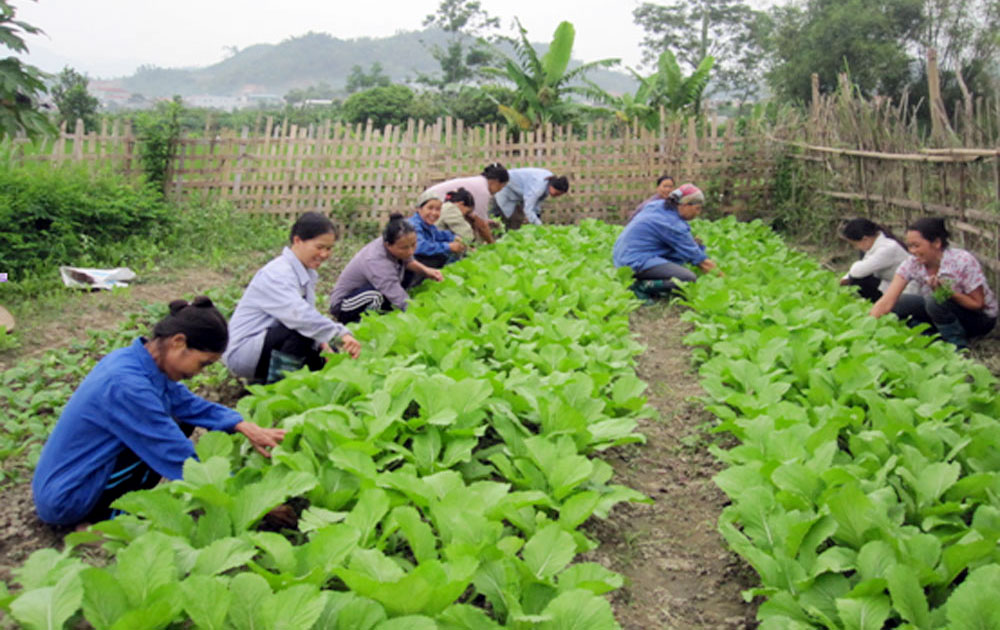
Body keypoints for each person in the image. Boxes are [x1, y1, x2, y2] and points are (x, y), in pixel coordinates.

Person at [32, 297, 287, 528]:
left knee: (180, 421)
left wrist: (242, 425)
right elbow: (174, 453)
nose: (201, 372)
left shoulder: (138, 361)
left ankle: (106, 507)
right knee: (166, 439)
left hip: (69, 481)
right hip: (69, 497)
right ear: (178, 342)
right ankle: (101, 518)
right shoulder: (126, 385)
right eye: (203, 363)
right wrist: (252, 498)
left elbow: (187, 404)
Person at [224, 212, 361, 385]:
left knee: (326, 358)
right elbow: (300, 317)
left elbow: (309, 317)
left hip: (270, 343)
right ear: (298, 241)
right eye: (319, 247)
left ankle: (272, 382)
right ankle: (276, 388)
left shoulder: (306, 273)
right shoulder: (278, 273)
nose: (325, 254)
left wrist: (325, 344)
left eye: (329, 249)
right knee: (299, 333)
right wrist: (340, 333)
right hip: (244, 353)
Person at [870, 217, 997, 349]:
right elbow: (887, 300)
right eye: (910, 246)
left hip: (980, 320)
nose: (912, 251)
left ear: (936, 243)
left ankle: (957, 347)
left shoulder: (962, 261)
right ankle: (931, 335)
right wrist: (867, 327)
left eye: (916, 245)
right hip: (944, 312)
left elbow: (978, 304)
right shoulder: (912, 263)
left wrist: (946, 292)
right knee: (900, 302)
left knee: (934, 300)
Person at [329, 213, 444, 324]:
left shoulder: (395, 245)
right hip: (345, 306)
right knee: (376, 296)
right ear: (388, 245)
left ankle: (386, 311)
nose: (410, 251)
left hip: (374, 289)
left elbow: (409, 261)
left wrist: (427, 271)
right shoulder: (376, 259)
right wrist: (418, 314)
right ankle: (362, 323)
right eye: (404, 248)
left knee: (409, 271)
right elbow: (394, 291)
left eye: (413, 244)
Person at [612, 183, 719, 301]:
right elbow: (700, 261)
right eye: (697, 208)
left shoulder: (656, 206)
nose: (698, 213)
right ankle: (641, 287)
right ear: (684, 205)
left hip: (621, 255)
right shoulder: (672, 224)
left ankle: (642, 280)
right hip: (636, 260)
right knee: (687, 279)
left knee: (680, 257)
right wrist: (724, 280)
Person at [838, 218, 911, 301]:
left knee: (858, 280)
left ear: (865, 239)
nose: (856, 248)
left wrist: (847, 278)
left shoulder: (887, 248)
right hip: (892, 285)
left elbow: (857, 271)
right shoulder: (875, 245)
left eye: (855, 244)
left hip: (907, 292)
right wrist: (845, 278)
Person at [422, 163, 509, 232]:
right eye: (502, 186)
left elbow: (476, 217)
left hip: (430, 199)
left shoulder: (479, 182)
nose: (500, 190)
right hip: (433, 201)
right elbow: (481, 225)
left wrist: (488, 222)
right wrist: (492, 244)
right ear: (496, 182)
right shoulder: (483, 191)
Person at [493, 167, 570, 228]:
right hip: (505, 188)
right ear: (553, 187)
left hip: (517, 193)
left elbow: (536, 206)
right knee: (505, 220)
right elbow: (528, 209)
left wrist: (536, 218)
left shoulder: (548, 183)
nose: (557, 196)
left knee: (515, 222)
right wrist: (539, 225)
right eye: (557, 193)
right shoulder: (538, 187)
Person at [408, 191, 467, 268]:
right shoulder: (413, 225)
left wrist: (454, 238)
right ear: (419, 209)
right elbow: (419, 246)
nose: (434, 213)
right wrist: (448, 247)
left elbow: (439, 234)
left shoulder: (428, 225)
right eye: (430, 208)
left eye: (438, 209)